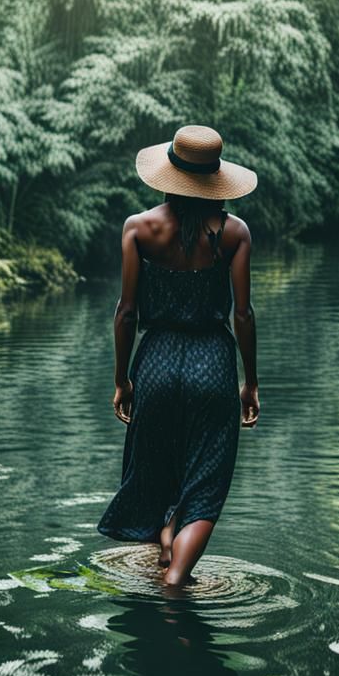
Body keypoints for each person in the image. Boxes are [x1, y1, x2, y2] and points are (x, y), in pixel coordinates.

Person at [96, 124, 260, 588]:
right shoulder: (234, 233)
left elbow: (126, 312)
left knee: (156, 466)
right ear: (216, 180)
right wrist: (251, 382)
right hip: (213, 363)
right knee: (207, 482)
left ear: (169, 173)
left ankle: (167, 537)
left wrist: (122, 378)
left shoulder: (139, 228)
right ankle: (177, 580)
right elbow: (243, 315)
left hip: (157, 363)